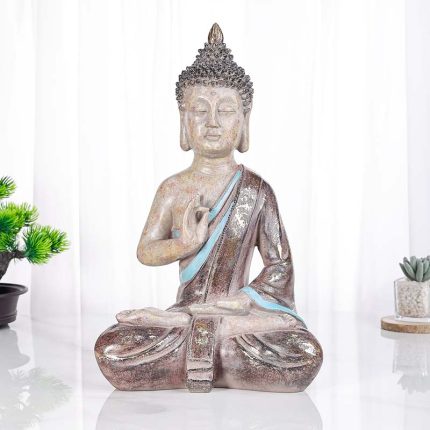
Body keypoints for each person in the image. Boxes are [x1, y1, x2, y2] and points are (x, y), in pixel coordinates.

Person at [94, 23, 323, 393]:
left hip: (238, 320)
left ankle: (196, 337)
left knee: (304, 353)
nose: (213, 122)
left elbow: (279, 267)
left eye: (226, 110)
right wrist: (184, 245)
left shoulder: (257, 191)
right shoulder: (173, 189)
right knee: (112, 349)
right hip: (190, 315)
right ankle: (206, 344)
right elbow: (145, 251)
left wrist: (238, 303)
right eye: (200, 110)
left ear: (244, 121)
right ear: (183, 120)